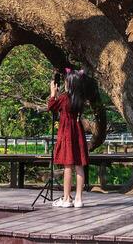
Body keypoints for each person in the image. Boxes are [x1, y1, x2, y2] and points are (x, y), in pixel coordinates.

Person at [47, 67, 92, 208]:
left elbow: (52, 107)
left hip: (66, 132)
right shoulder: (80, 98)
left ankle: (66, 199)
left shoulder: (64, 98)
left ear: (70, 83)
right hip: (78, 132)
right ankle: (78, 199)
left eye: (66, 81)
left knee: (68, 166)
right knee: (79, 165)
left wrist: (53, 93)